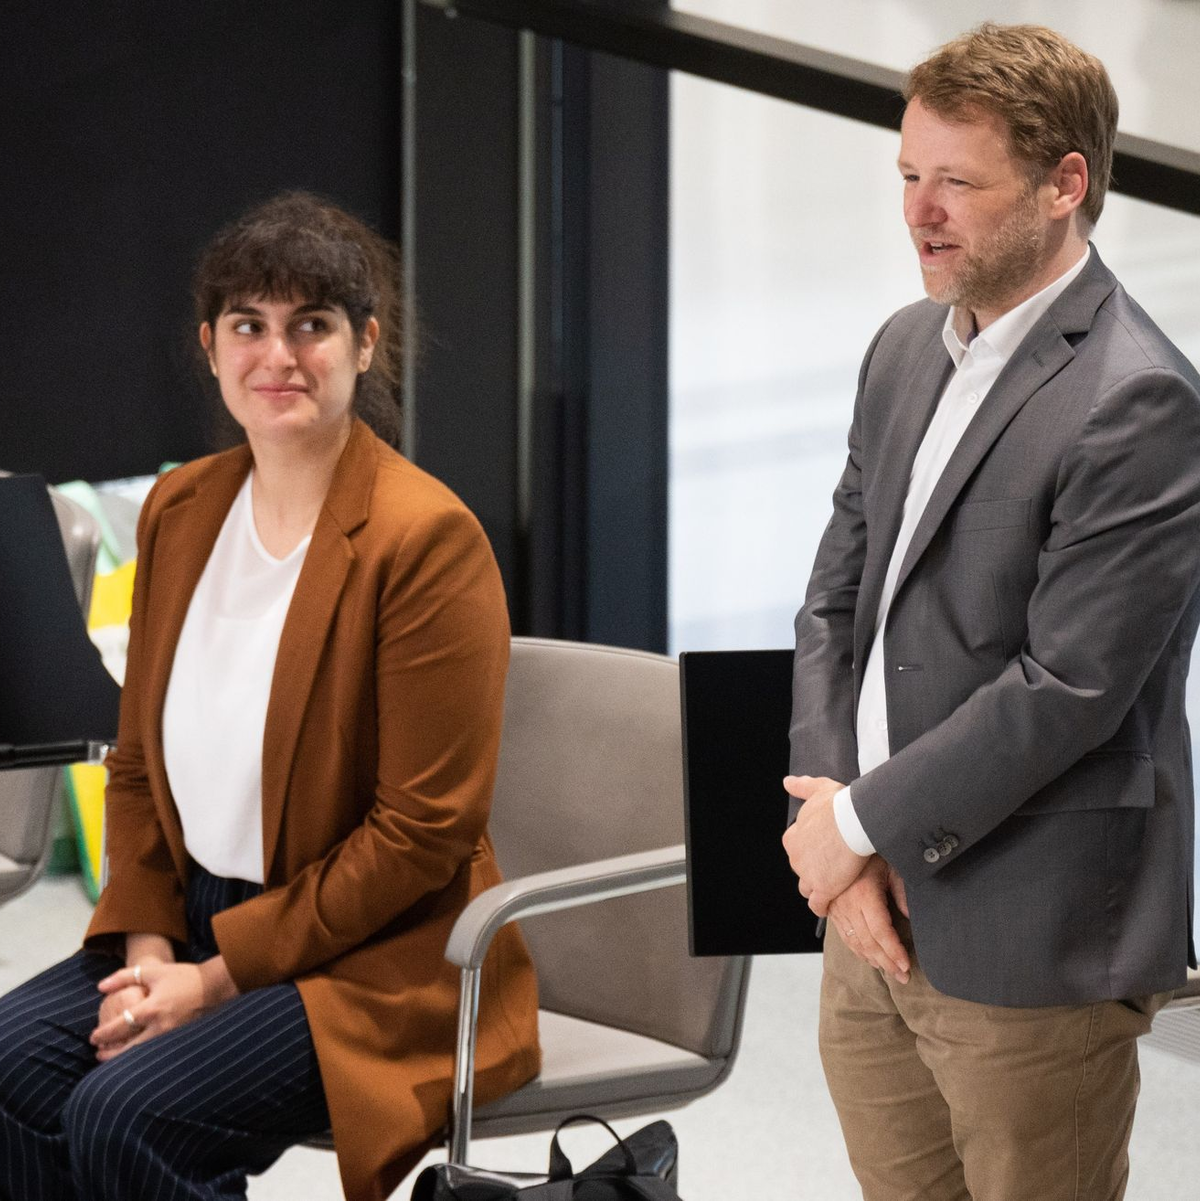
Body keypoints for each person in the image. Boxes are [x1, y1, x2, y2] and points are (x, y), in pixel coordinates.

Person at [0, 192, 540, 1201]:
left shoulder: (425, 541)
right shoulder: (181, 507)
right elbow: (140, 760)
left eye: (312, 326)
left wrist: (209, 981)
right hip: (191, 914)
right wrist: (151, 948)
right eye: (249, 325)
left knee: (124, 1114)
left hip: (375, 955)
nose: (277, 356)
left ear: (366, 343)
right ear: (210, 346)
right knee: (10, 1074)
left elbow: (419, 836)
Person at [782, 23, 1200, 1201]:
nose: (921, 212)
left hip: (1030, 934)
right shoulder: (906, 347)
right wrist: (839, 849)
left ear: (1067, 184)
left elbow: (1067, 688)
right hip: (868, 916)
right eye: (909, 177)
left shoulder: (1141, 398)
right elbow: (833, 600)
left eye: (959, 182)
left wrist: (859, 826)